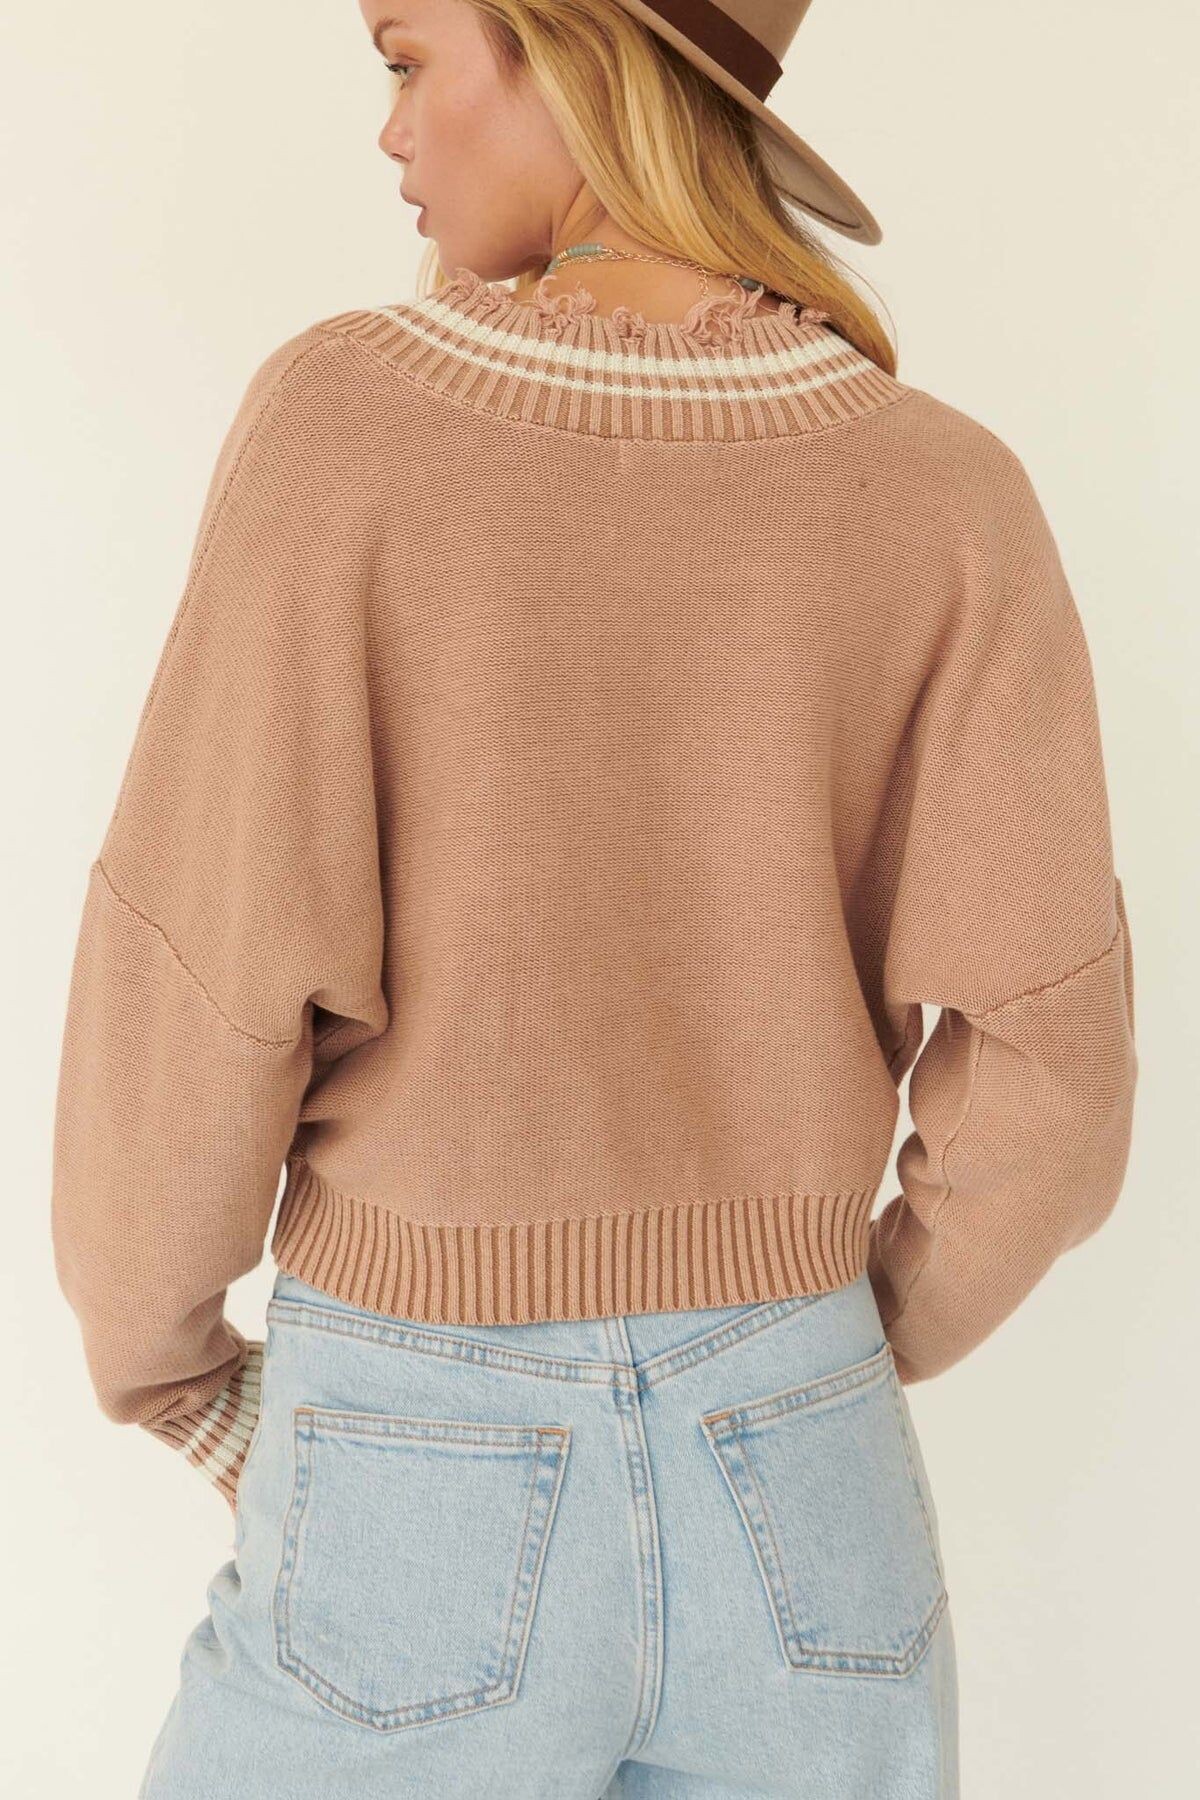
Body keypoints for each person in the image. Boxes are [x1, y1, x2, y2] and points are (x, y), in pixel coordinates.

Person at [50, 0, 1138, 1794]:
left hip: (416, 1453)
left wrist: (166, 1369)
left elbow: (198, 978)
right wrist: (825, 1349)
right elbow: (1055, 1075)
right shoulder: (949, 491)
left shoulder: (347, 425)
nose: (387, 130)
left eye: (406, 57)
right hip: (813, 1484)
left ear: (566, 50)